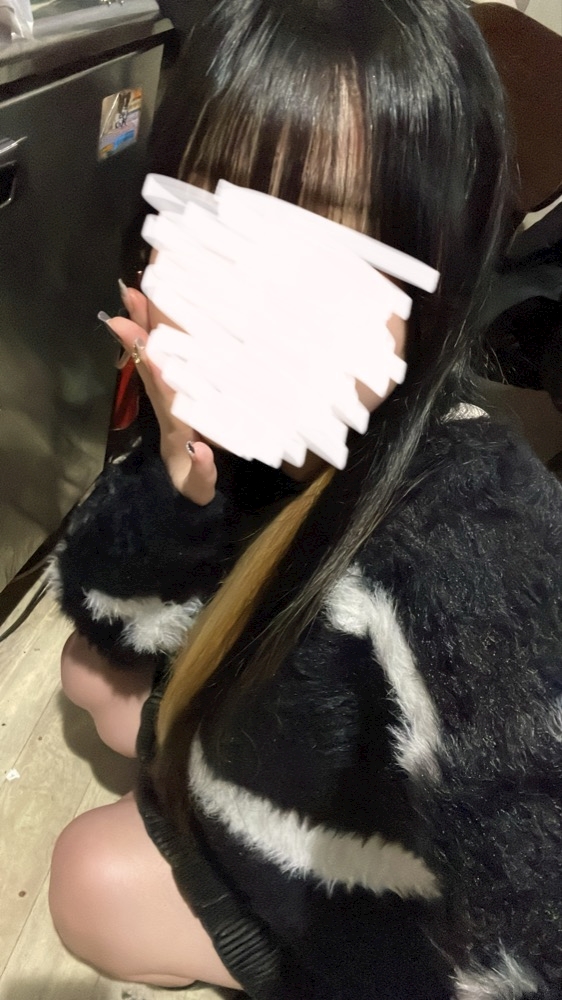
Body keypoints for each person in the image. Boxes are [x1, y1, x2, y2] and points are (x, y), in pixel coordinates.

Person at [47, 0, 562, 996]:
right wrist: (179, 485)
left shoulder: (473, 537)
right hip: (255, 727)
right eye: (214, 209)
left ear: (435, 268)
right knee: (88, 674)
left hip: (333, 887)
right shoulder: (240, 428)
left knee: (84, 879)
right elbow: (105, 602)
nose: (247, 294)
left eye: (324, 234)